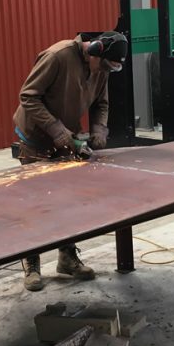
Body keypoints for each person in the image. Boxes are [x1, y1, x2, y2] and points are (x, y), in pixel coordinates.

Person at [13, 31, 128, 291]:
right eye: (105, 66)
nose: (105, 72)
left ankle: (66, 258)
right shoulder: (57, 56)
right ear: (95, 50)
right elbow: (28, 96)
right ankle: (32, 263)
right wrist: (55, 128)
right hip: (35, 137)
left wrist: (99, 129)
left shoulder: (102, 67)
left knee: (66, 200)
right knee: (36, 202)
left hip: (66, 136)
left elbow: (101, 104)